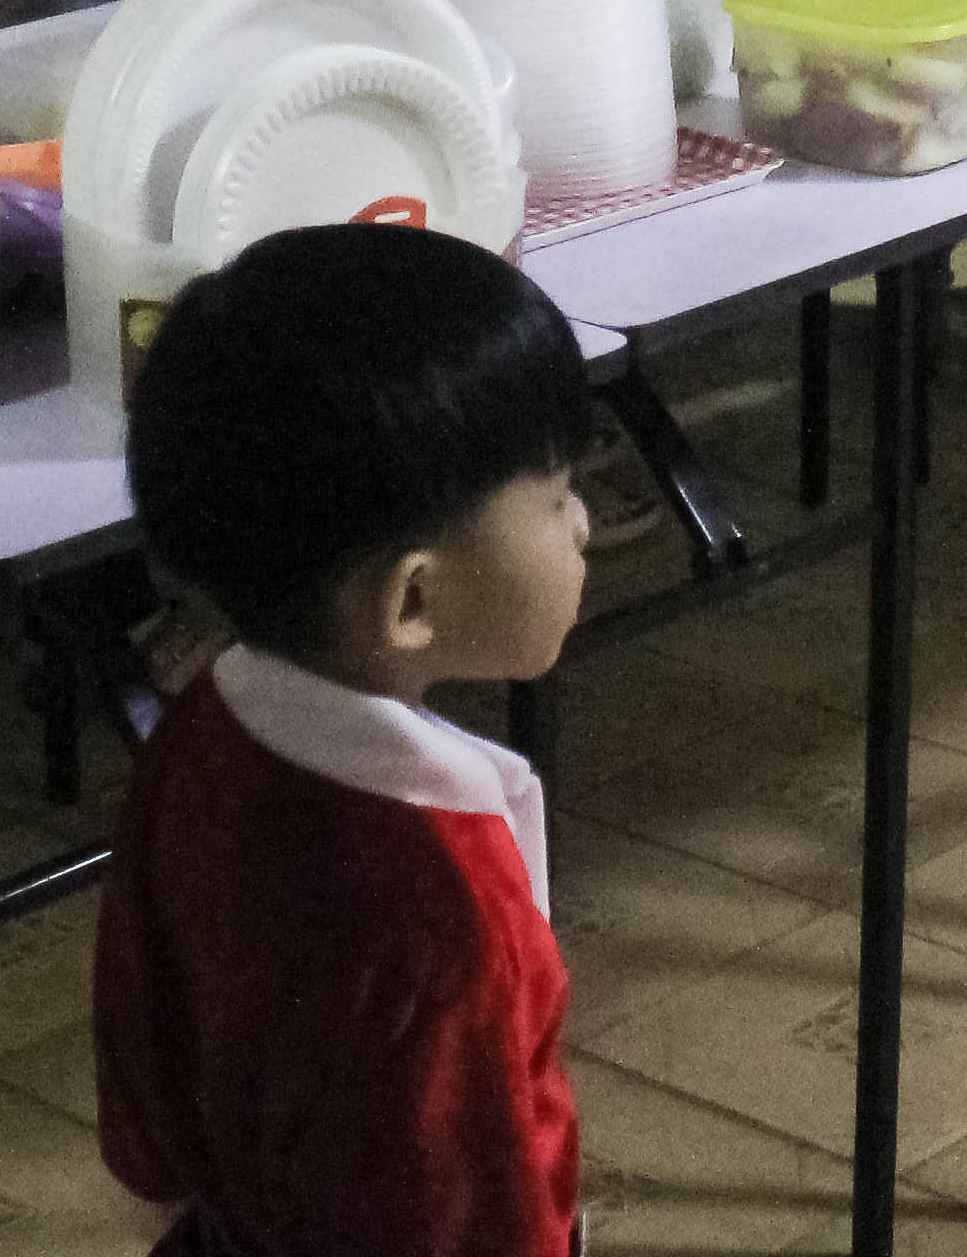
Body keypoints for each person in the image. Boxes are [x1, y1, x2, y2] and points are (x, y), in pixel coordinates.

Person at [98, 226, 597, 1257]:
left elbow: (140, 1038)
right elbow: (477, 1217)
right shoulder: (443, 916)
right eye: (555, 499)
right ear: (412, 601)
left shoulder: (201, 733)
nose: (585, 525)